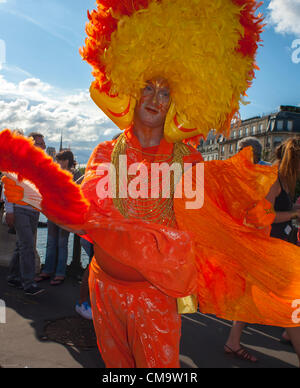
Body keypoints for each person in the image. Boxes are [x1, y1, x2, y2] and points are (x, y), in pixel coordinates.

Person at [2, 0, 300, 368]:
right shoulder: (105, 152)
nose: (154, 99)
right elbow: (86, 214)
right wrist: (43, 196)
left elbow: (193, 238)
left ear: (177, 100)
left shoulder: (188, 161)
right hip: (103, 288)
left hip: (155, 300)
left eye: (164, 91)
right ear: (131, 86)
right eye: (147, 86)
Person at [224, 136, 271, 362]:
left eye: (242, 151)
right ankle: (233, 340)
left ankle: (234, 339)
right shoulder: (236, 174)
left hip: (258, 239)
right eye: (238, 150)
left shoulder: (266, 175)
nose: (238, 154)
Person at [5, 132, 46, 296]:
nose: (42, 147)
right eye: (39, 144)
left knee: (21, 245)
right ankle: (28, 283)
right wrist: (9, 211)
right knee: (27, 246)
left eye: (43, 144)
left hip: (33, 211)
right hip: (20, 209)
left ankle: (13, 276)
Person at [35, 150, 78, 286]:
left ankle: (60, 273)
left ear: (67, 160)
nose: (58, 162)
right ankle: (48, 270)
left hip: (65, 215)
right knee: (51, 243)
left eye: (60, 160)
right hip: (53, 212)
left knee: (61, 244)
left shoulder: (76, 174)